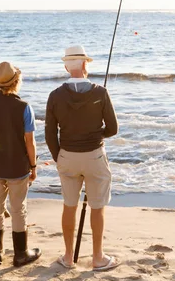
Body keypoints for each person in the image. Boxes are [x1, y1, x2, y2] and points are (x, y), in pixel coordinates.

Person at [45, 45, 120, 271]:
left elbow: (50, 134)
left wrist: (59, 157)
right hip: (94, 157)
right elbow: (113, 129)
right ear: (85, 64)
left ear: (67, 66)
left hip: (67, 156)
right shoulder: (100, 92)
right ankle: (97, 258)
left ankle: (68, 257)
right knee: (97, 207)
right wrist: (96, 135)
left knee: (69, 206)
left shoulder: (55, 95)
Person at [0, 61, 42, 267]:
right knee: (18, 209)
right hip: (18, 168)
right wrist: (33, 167)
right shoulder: (24, 107)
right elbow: (30, 142)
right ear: (17, 82)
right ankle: (20, 254)